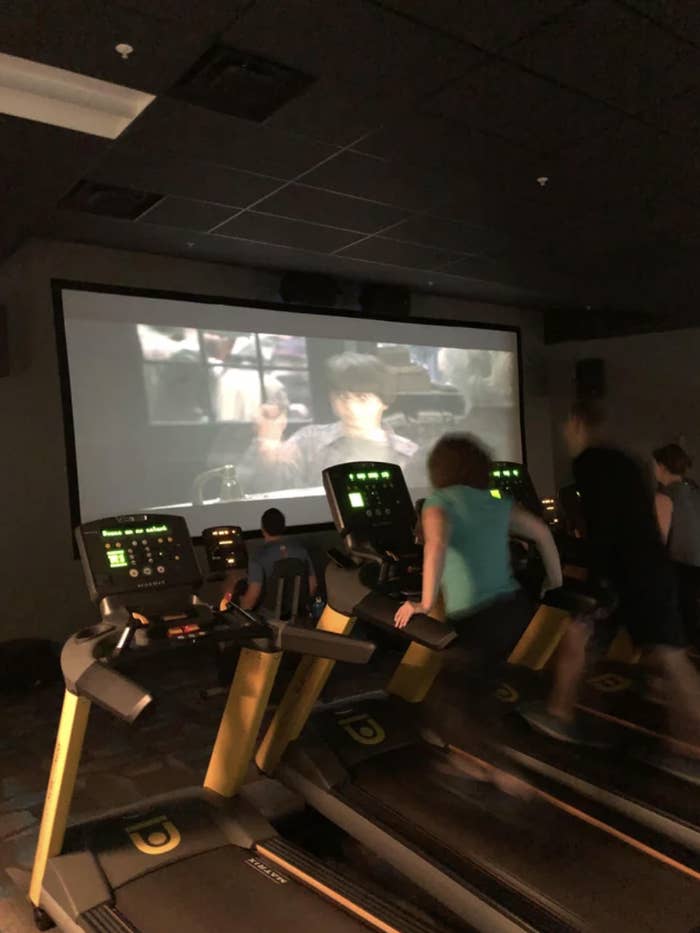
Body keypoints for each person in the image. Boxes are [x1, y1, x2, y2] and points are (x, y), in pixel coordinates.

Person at [525, 402, 700, 776]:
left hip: (625, 575)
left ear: (577, 426)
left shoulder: (588, 462)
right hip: (649, 570)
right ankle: (688, 745)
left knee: (585, 634)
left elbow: (604, 525)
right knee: (669, 656)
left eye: (568, 427)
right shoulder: (626, 461)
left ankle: (560, 712)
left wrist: (596, 579)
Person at [393, 434, 561, 792]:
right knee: (474, 686)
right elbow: (542, 533)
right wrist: (554, 581)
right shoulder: (496, 501)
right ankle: (474, 759)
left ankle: (502, 772)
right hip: (514, 611)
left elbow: (435, 546)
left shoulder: (438, 502)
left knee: (445, 697)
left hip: (476, 616)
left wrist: (422, 603)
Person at [236, 353, 417, 493]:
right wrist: (268, 444)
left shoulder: (409, 454)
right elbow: (266, 491)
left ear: (384, 401)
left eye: (362, 398)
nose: (350, 407)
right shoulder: (308, 440)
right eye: (342, 396)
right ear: (331, 397)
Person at [224, 508, 317, 612]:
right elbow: (312, 585)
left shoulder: (257, 557)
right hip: (299, 616)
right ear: (283, 527)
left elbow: (251, 600)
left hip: (268, 618)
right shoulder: (302, 551)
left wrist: (237, 604)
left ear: (263, 529)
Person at [653, 443, 700, 646]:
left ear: (662, 467)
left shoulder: (664, 496)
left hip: (682, 569)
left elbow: (659, 541)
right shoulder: (695, 491)